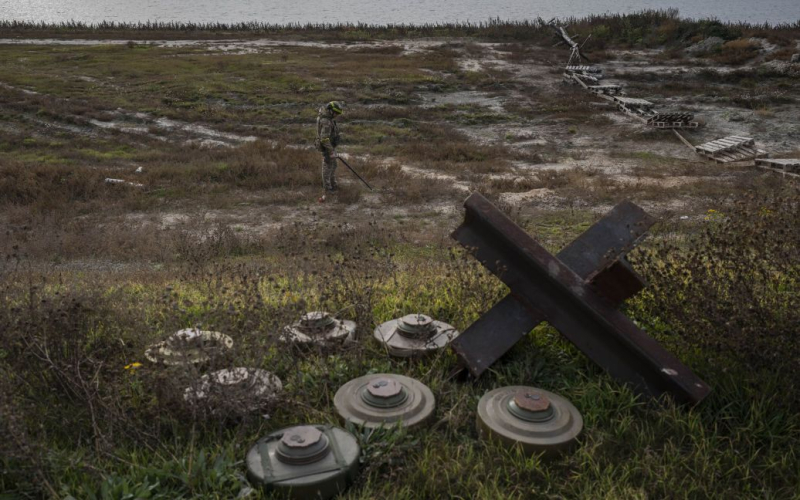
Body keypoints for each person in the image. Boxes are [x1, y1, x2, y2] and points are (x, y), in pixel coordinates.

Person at [315, 101, 343, 200]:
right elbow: (324, 139)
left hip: (330, 146)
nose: (337, 115)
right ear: (330, 111)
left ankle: (333, 184)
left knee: (334, 165)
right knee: (327, 166)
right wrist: (331, 151)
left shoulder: (328, 118)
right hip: (327, 147)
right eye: (336, 113)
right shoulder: (325, 121)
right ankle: (328, 188)